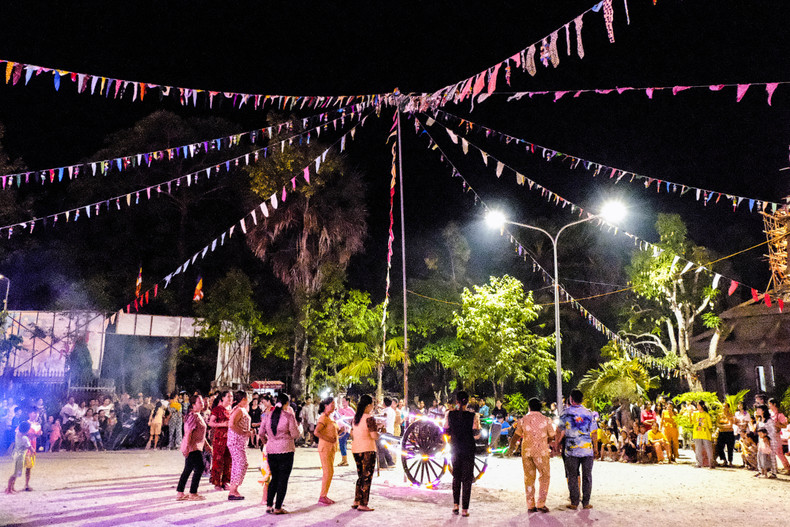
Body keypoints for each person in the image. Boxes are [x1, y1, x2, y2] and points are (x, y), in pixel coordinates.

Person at [555, 389, 598, 510]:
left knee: (572, 476)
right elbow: (594, 432)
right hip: (587, 450)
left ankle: (574, 502)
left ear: (571, 399)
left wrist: (557, 444)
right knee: (587, 476)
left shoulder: (565, 413)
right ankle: (586, 502)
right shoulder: (589, 413)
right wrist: (596, 447)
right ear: (582, 400)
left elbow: (559, 430)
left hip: (571, 450)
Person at [260, 393, 300, 515]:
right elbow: (295, 434)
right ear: (287, 404)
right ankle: (278, 507)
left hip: (271, 451)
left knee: (274, 478)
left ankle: (268, 505)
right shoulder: (288, 416)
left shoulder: (267, 415)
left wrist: (268, 442)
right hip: (286, 450)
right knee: (283, 479)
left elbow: (261, 433)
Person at [511, 397, 553, 514]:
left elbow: (516, 435)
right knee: (544, 477)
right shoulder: (546, 420)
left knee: (529, 478)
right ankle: (541, 504)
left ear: (529, 407)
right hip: (542, 453)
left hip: (527, 452)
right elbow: (552, 435)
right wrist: (546, 442)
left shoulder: (523, 420)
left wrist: (511, 447)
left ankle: (530, 505)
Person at [444, 391, 480, 517]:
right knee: (467, 479)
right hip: (469, 449)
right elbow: (477, 435)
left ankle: (455, 506)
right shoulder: (473, 416)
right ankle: (465, 510)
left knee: (456, 477)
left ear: (457, 401)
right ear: (467, 402)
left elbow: (446, 430)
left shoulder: (450, 414)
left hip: (455, 448)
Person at [176, 394, 208, 501]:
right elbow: (189, 432)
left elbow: (201, 433)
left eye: (202, 401)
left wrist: (207, 446)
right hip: (193, 447)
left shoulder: (197, 415)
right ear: (193, 405)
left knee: (188, 469)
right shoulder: (194, 416)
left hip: (196, 446)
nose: (202, 403)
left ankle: (180, 493)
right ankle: (193, 493)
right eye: (199, 402)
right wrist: (186, 447)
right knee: (200, 467)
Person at [351, 394, 378, 512]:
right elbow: (374, 436)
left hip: (356, 449)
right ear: (368, 406)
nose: (372, 406)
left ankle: (357, 500)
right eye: (372, 404)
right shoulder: (369, 418)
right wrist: (379, 432)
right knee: (367, 477)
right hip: (368, 449)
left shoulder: (356, 418)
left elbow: (352, 433)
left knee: (360, 476)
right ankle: (363, 503)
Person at [226, 391, 252, 501]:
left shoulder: (240, 409)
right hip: (236, 441)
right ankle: (233, 489)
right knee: (241, 463)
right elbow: (231, 424)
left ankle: (234, 488)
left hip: (238, 442)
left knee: (239, 464)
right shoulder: (239, 410)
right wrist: (244, 432)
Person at [315, 396, 339, 505]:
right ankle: (323, 496)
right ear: (326, 406)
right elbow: (317, 432)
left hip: (331, 448)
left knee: (329, 472)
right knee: (328, 472)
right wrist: (328, 438)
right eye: (332, 405)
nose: (334, 407)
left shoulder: (329, 418)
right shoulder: (323, 418)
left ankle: (324, 495)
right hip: (325, 448)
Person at [209, 391, 233, 490]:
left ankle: (225, 481)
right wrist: (222, 424)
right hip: (219, 439)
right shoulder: (217, 409)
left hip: (230, 438)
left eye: (231, 396)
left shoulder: (232, 410)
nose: (230, 398)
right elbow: (210, 423)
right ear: (222, 398)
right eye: (228, 396)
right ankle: (217, 482)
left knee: (228, 460)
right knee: (218, 460)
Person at [6, 421, 34, 494]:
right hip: (20, 456)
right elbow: (30, 447)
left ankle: (12, 487)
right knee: (16, 473)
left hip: (15, 453)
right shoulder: (25, 438)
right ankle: (9, 489)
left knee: (16, 472)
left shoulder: (18, 433)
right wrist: (33, 451)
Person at [755, 404, 778, 478]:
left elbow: (773, 431)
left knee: (772, 456)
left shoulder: (769, 420)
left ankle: (774, 472)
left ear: (763, 411)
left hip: (770, 440)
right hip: (761, 440)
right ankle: (761, 471)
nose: (757, 411)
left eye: (759, 409)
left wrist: (767, 437)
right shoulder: (760, 420)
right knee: (760, 455)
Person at [767, 398, 790, 473]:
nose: (769, 405)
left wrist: (778, 425)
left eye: (770, 404)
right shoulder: (769, 413)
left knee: (779, 452)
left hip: (776, 435)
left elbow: (785, 426)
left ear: (774, 404)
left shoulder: (780, 414)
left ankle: (787, 467)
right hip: (769, 434)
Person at [692, 401, 714, 469]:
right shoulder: (695, 414)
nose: (698, 407)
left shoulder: (706, 415)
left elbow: (710, 426)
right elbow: (692, 422)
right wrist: (691, 413)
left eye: (699, 405)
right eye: (697, 405)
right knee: (698, 449)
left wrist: (711, 435)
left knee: (708, 449)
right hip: (697, 434)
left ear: (702, 406)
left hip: (705, 434)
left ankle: (711, 463)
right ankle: (699, 463)